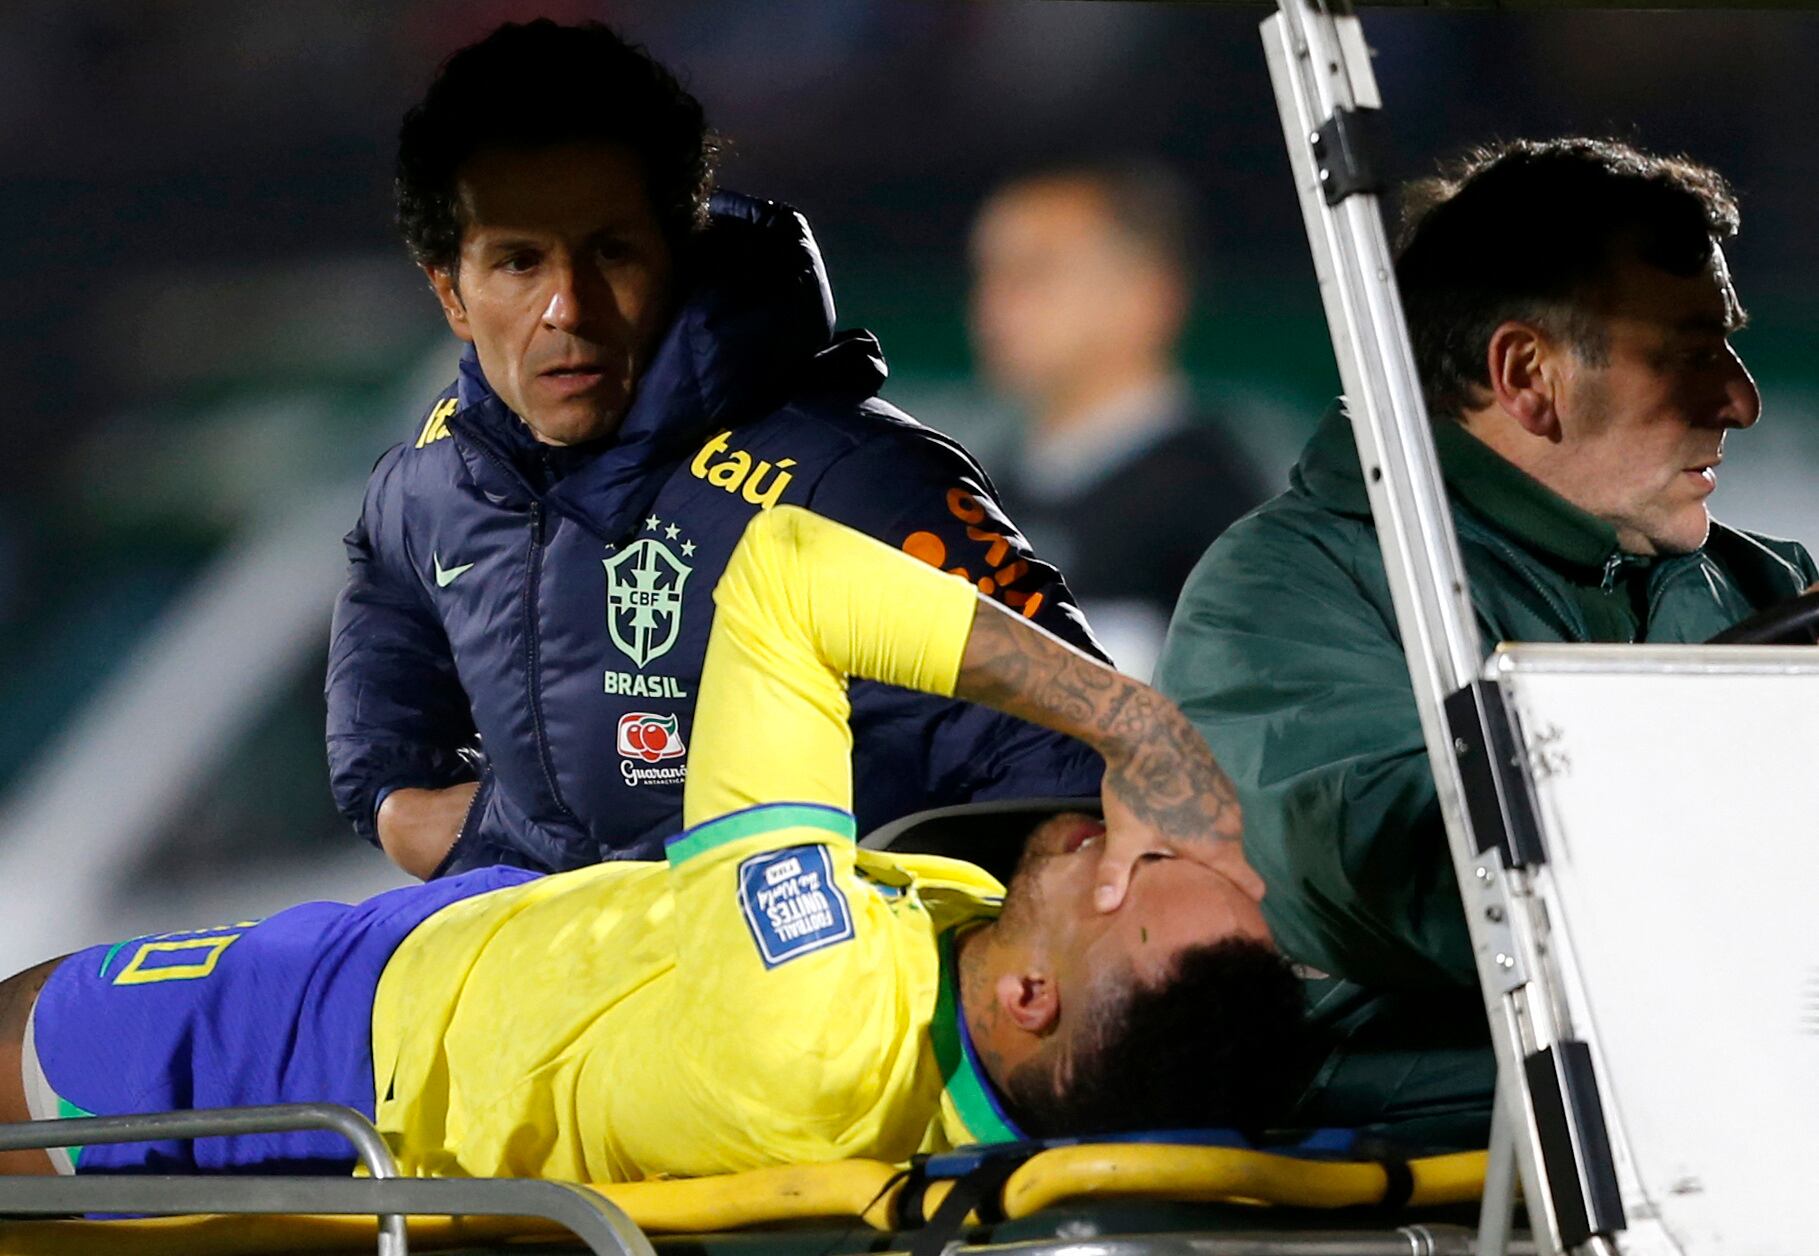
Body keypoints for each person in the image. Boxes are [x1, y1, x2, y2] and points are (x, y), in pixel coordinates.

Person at [0, 508, 1307, 1180]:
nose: (1122, 843)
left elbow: (784, 575)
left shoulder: (810, 1006)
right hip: (483, 982)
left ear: (1031, 1000)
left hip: (331, 1053)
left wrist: (1133, 721)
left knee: (25, 1041)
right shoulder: (997, 1044)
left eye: (1133, 884)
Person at [327, 20, 1106, 882]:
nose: (569, 310)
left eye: (612, 252)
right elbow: (386, 573)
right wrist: (400, 799)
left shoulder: (853, 483)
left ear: (677, 251)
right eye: (519, 262)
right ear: (452, 295)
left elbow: (1073, 775)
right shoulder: (444, 475)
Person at [1152, 137, 1818, 1141]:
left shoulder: (1761, 581)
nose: (1739, 398)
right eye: (1685, 352)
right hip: (1445, 1150)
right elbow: (1425, 871)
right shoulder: (1283, 595)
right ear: (1525, 374)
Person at [969, 161, 1267, 678]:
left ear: (1146, 294)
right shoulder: (976, 491)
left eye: (1034, 272)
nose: (993, 303)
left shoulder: (1218, 517)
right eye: (987, 273)